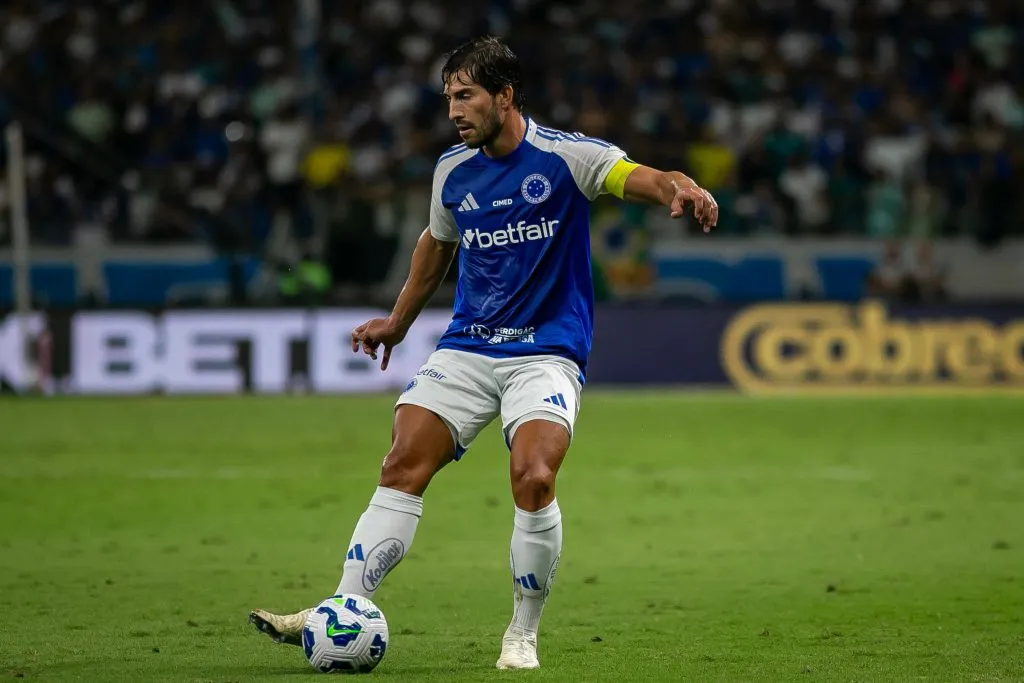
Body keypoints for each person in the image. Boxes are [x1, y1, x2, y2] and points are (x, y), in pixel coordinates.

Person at [249, 35, 717, 671]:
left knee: (535, 476)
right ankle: (343, 608)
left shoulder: (566, 156)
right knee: (401, 463)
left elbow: (635, 176)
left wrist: (674, 186)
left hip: (546, 354)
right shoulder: (453, 170)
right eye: (448, 98)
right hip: (468, 347)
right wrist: (396, 322)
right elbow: (435, 248)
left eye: (466, 96)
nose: (454, 111)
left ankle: (522, 632)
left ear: (505, 95)